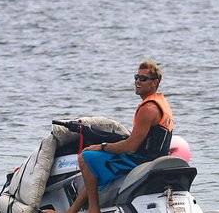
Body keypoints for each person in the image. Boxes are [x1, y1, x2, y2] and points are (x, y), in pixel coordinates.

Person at [47, 59, 174, 213]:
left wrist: (102, 146)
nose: (137, 82)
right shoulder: (162, 102)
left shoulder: (148, 109)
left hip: (140, 160)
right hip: (153, 157)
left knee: (86, 157)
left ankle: (94, 209)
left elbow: (131, 147)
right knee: (94, 166)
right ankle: (71, 211)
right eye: (136, 77)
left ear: (155, 82)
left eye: (143, 79)